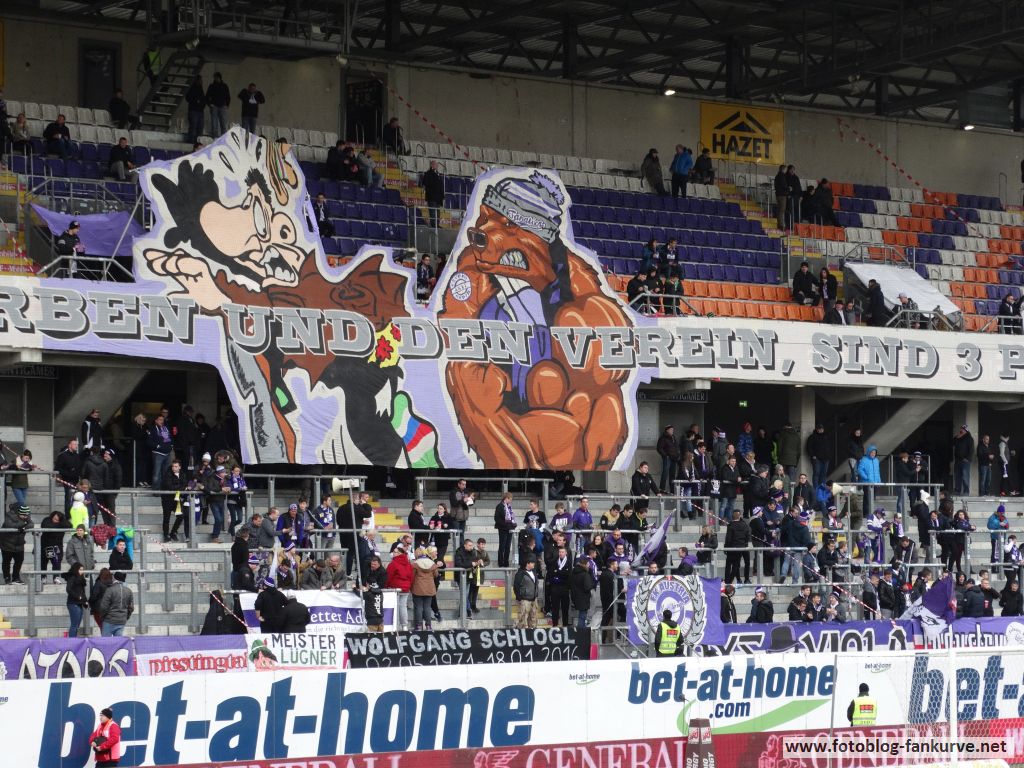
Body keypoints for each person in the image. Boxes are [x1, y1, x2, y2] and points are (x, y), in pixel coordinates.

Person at [1, 503, 33, 586]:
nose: (25, 517)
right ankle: (7, 578)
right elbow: (9, 525)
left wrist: (24, 527)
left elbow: (31, 524)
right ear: (18, 512)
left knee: (19, 561)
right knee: (6, 562)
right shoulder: (9, 515)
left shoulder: (26, 516)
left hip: (19, 544)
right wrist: (23, 524)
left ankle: (16, 578)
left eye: (26, 515)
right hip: (7, 543)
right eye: (23, 515)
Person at [411, 546, 439, 630]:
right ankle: (428, 625)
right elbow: (436, 575)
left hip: (418, 588)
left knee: (418, 607)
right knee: (427, 607)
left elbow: (412, 576)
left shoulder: (415, 564)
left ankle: (418, 626)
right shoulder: (432, 563)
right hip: (429, 588)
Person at [548, 544, 573, 626]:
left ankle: (565, 624)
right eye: (560, 552)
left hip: (565, 588)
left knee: (565, 608)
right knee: (555, 608)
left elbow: (568, 574)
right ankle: (555, 624)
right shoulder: (555, 561)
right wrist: (561, 573)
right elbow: (552, 573)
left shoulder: (568, 562)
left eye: (562, 552)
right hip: (555, 588)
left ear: (566, 553)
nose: (561, 553)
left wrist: (558, 572)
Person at [570, 554, 595, 629]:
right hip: (583, 598)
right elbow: (588, 587)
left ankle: (580, 630)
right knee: (582, 616)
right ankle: (580, 632)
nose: (589, 565)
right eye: (588, 564)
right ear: (585, 564)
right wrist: (592, 584)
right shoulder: (585, 574)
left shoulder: (574, 572)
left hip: (575, 596)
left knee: (581, 615)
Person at [513, 556, 539, 628]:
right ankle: (520, 631)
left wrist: (536, 595)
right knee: (522, 619)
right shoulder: (520, 573)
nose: (534, 564)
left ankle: (532, 632)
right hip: (525, 599)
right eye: (532, 563)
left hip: (534, 599)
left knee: (533, 619)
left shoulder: (534, 572)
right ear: (527, 563)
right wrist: (519, 597)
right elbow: (516, 586)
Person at [493, 492, 516, 568]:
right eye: (510, 499)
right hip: (503, 528)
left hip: (509, 529)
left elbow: (511, 518)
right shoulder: (500, 506)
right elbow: (496, 518)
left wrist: (513, 524)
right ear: (506, 498)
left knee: (508, 546)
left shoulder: (509, 507)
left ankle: (506, 562)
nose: (511, 501)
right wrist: (505, 524)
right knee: (502, 546)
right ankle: (501, 562)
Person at [206, 72, 231, 136]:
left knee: (223, 122)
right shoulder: (212, 86)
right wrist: (210, 104)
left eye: (216, 77)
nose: (215, 79)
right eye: (214, 77)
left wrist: (227, 104)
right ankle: (215, 136)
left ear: (219, 78)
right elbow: (207, 96)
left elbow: (228, 96)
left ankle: (224, 137)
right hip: (214, 106)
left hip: (222, 106)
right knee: (214, 123)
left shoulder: (224, 86)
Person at [953, 424, 975, 496]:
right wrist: (957, 437)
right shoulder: (958, 437)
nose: (961, 430)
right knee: (957, 476)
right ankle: (957, 490)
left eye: (962, 429)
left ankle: (966, 491)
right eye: (961, 428)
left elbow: (971, 450)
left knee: (965, 476)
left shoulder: (969, 438)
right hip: (957, 460)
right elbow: (953, 443)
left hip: (965, 461)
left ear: (966, 430)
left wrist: (968, 458)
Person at [773, 165, 788, 230]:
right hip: (782, 195)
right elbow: (784, 185)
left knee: (780, 209)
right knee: (782, 210)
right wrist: (788, 189)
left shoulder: (777, 176)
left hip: (778, 194)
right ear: (783, 169)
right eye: (786, 169)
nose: (786, 170)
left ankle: (779, 223)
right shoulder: (782, 176)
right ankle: (781, 224)